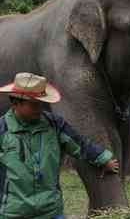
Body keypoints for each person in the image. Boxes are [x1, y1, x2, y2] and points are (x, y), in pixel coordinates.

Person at [0, 73, 119, 218]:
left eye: (40, 103)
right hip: (13, 212)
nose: (39, 108)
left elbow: (79, 144)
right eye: (34, 104)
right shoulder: (2, 130)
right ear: (15, 103)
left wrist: (102, 158)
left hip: (51, 210)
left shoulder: (54, 124)